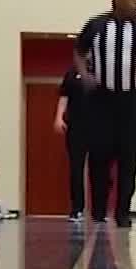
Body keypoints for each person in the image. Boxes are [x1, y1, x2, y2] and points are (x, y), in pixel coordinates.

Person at [74, 0, 136, 228]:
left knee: (129, 157)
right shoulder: (96, 25)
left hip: (131, 99)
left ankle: (123, 211)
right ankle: (99, 211)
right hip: (101, 99)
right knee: (99, 154)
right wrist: (86, 75)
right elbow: (79, 52)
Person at [54, 65, 89, 221]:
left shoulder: (104, 69)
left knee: (101, 167)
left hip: (99, 125)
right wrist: (59, 117)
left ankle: (99, 210)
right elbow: (64, 97)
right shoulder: (72, 73)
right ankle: (77, 208)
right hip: (76, 125)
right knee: (76, 167)